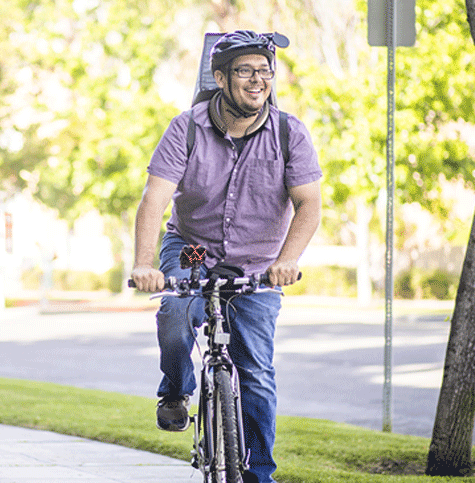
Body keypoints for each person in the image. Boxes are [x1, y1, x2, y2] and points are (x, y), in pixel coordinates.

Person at [130, 30, 322, 483]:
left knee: (255, 372)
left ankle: (259, 476)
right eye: (245, 71)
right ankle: (176, 391)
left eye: (264, 71)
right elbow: (154, 199)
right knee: (175, 314)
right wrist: (144, 262)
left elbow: (309, 203)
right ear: (219, 77)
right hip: (194, 247)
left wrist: (288, 258)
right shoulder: (187, 128)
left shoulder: (288, 132)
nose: (257, 80)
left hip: (259, 262)